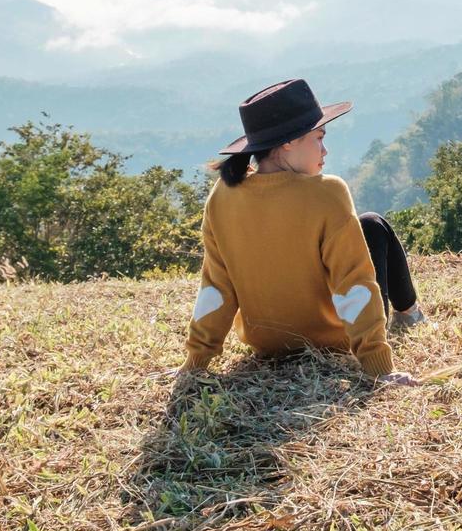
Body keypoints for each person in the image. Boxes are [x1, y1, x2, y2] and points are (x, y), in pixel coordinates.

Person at [181, 78, 426, 385]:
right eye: (318, 138)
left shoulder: (223, 195)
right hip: (333, 340)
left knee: (366, 227)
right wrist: (380, 369)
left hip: (267, 345)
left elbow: (216, 286)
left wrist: (195, 363)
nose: (325, 150)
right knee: (373, 225)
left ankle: (409, 311)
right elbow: (354, 281)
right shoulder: (329, 192)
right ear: (288, 141)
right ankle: (410, 312)